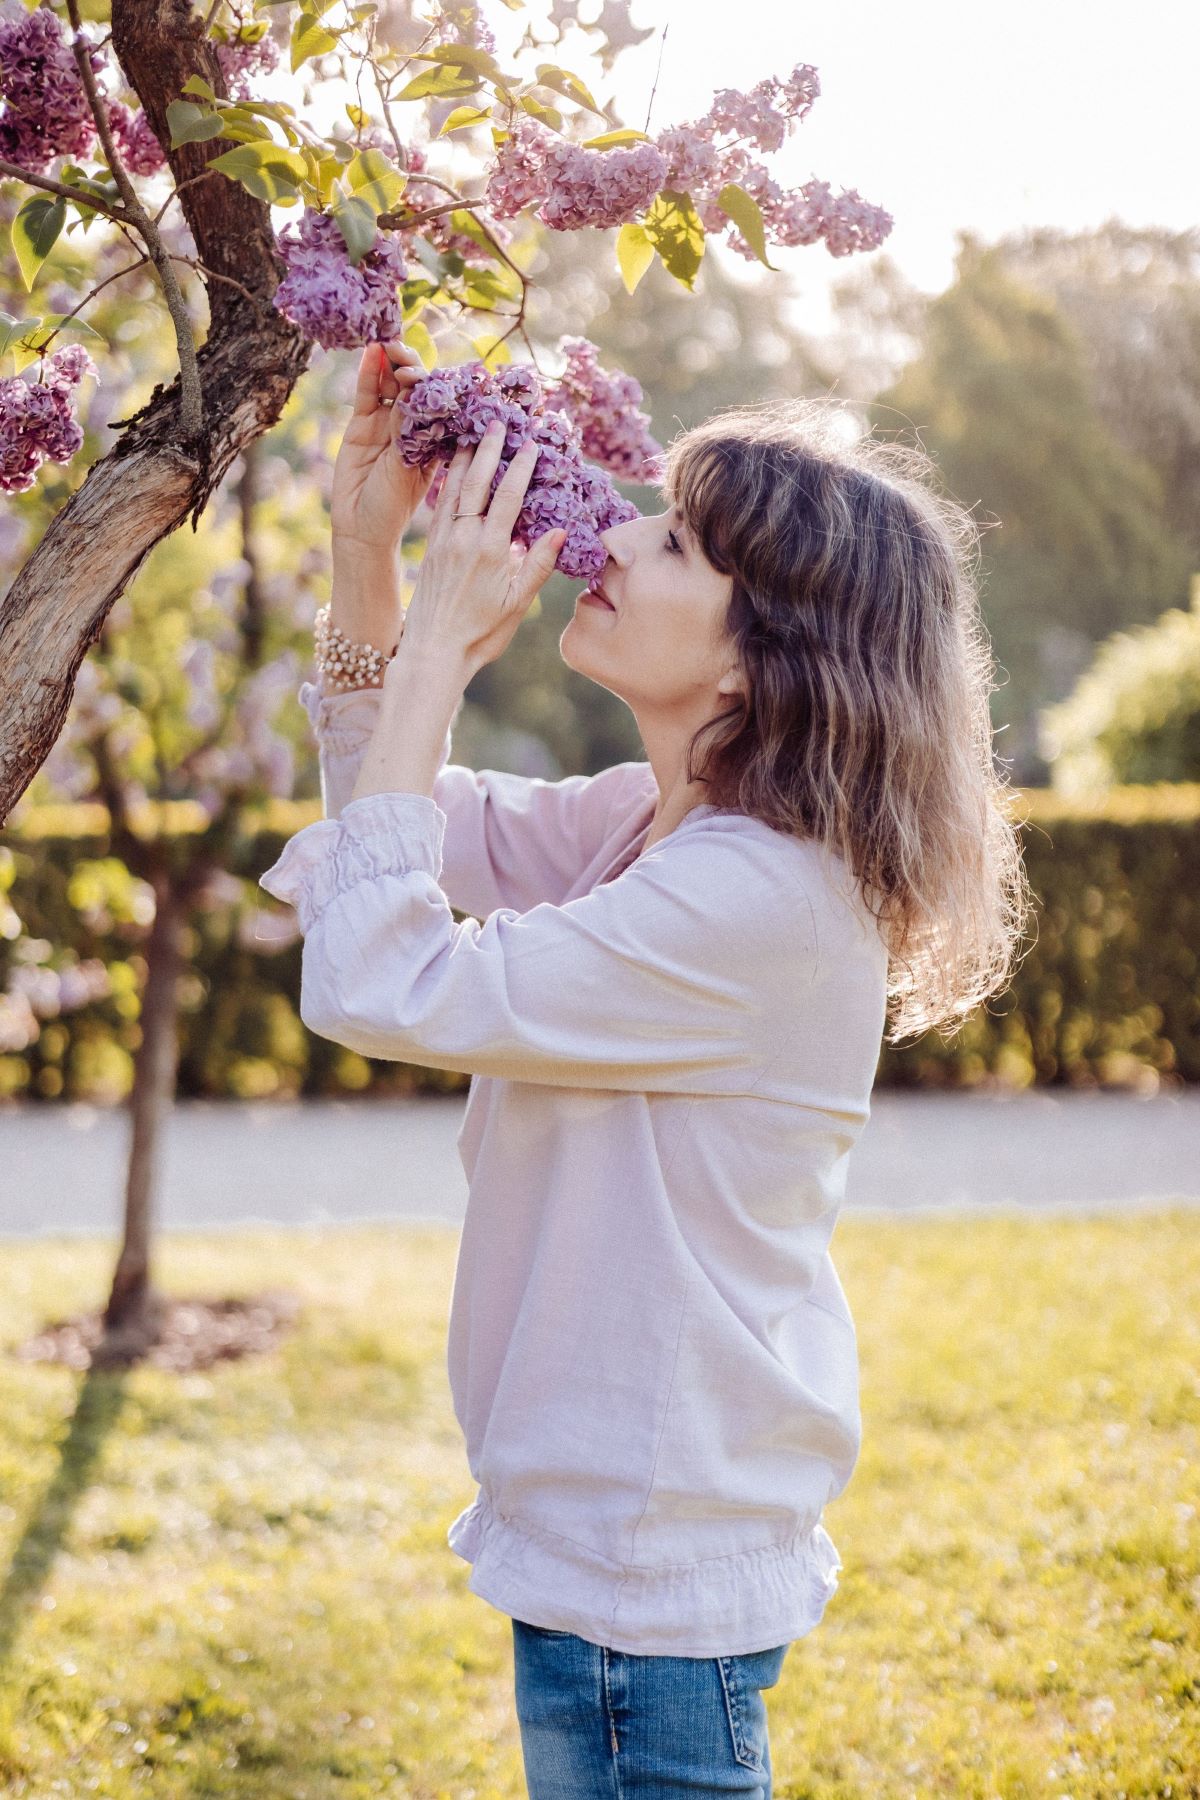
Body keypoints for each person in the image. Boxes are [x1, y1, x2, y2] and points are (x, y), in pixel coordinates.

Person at [259, 339, 1032, 1797]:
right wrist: (370, 560)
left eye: (672, 539)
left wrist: (439, 646)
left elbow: (381, 971)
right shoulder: (665, 827)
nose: (604, 538)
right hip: (627, 1535)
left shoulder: (758, 897)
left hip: (644, 1565)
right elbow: (397, 814)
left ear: (770, 643)